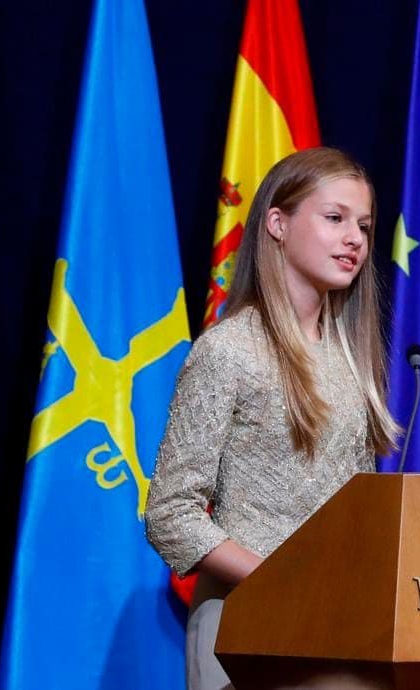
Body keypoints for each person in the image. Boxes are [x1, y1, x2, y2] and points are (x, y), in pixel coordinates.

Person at [145, 147, 400, 690]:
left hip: (341, 624)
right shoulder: (230, 350)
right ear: (278, 224)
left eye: (364, 225)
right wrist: (278, 579)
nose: (354, 238)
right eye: (334, 219)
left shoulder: (350, 357)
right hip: (247, 625)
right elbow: (170, 513)